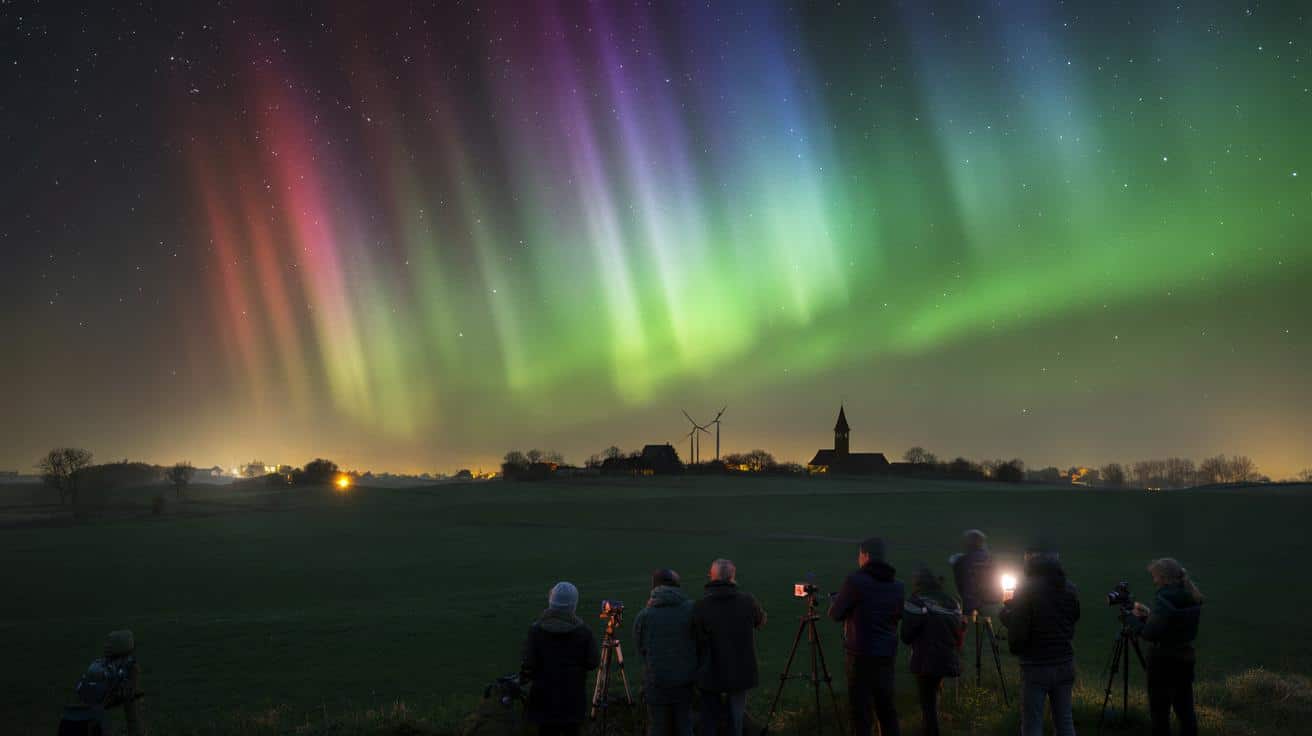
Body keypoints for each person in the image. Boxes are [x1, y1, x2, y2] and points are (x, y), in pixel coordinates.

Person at [999, 548, 1080, 736]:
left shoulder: (1026, 590)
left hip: (1036, 664)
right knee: (1064, 720)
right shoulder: (1069, 588)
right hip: (1065, 660)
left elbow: (1020, 628)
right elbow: (1073, 617)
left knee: (1032, 723)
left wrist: (1006, 614)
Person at [829, 537, 905, 736]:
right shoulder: (897, 585)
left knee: (860, 711)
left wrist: (839, 600)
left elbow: (836, 614)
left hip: (860, 655)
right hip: (886, 654)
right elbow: (897, 615)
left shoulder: (855, 581)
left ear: (865, 556)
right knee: (886, 708)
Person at [1127, 558, 1204, 736]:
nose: (1154, 581)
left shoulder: (1164, 598)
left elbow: (1148, 634)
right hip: (1185, 658)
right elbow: (1172, 624)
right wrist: (1151, 615)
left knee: (1160, 711)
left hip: (1162, 661)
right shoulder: (1190, 595)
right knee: (1185, 710)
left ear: (1164, 578)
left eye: (1155, 577)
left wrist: (1130, 618)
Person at [692, 558, 767, 736]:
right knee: (737, 721)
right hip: (740, 670)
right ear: (732, 577)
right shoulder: (747, 601)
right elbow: (761, 621)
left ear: (711, 577)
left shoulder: (701, 606)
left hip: (710, 671)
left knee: (709, 721)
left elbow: (695, 637)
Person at [521, 582, 602, 736]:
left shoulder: (536, 630)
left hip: (543, 700)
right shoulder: (584, 632)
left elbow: (528, 662)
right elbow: (593, 662)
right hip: (573, 700)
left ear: (551, 602)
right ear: (574, 605)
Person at [900, 566, 965, 736]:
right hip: (947, 657)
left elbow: (906, 635)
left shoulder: (916, 601)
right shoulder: (952, 602)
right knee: (933, 693)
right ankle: (929, 727)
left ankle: (930, 731)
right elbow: (959, 630)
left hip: (925, 658)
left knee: (927, 700)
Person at [634, 568, 697, 736]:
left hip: (656, 683)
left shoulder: (644, 616)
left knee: (657, 728)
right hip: (685, 682)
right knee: (685, 726)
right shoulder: (691, 610)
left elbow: (641, 649)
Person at [60, 629, 143, 736]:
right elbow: (132, 714)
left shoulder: (95, 665)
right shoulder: (128, 668)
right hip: (92, 723)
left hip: (67, 719)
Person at [948, 529, 1001, 620]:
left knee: (971, 628)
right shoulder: (990, 559)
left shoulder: (964, 560)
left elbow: (966, 585)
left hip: (972, 603)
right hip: (992, 602)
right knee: (986, 627)